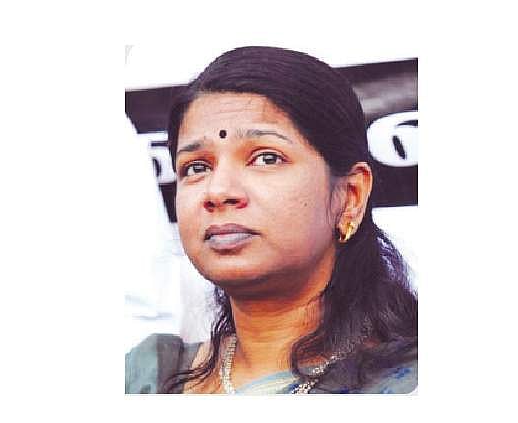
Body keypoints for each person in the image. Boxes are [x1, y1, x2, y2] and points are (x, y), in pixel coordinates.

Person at [125, 46, 418, 394]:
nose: (217, 191)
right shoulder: (146, 376)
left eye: (266, 158)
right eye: (197, 167)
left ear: (350, 196)